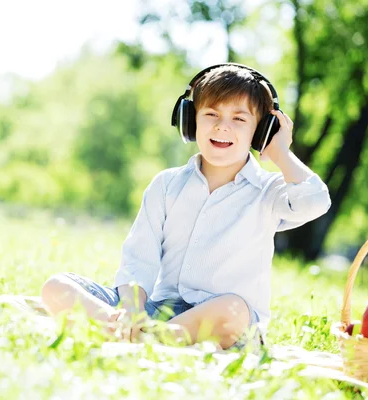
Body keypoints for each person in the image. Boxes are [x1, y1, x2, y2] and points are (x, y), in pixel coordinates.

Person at [40, 63, 331, 351]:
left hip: (222, 319)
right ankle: (141, 333)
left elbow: (316, 201)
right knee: (57, 287)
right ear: (190, 121)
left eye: (239, 119)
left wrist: (280, 152)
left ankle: (139, 338)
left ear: (260, 133)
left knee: (233, 310)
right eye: (211, 114)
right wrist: (132, 310)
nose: (222, 126)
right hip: (159, 313)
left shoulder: (269, 192)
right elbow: (138, 260)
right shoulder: (167, 185)